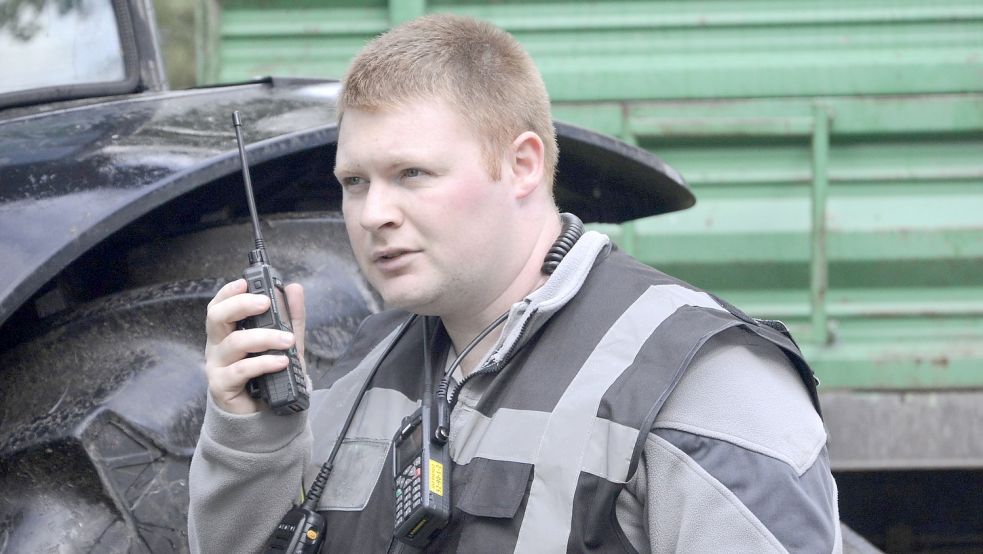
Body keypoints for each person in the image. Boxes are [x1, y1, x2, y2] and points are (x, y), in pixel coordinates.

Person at [188, 13, 841, 553]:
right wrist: (252, 439)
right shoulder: (358, 372)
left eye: (412, 173)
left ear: (522, 164)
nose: (371, 213)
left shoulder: (703, 381)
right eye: (353, 182)